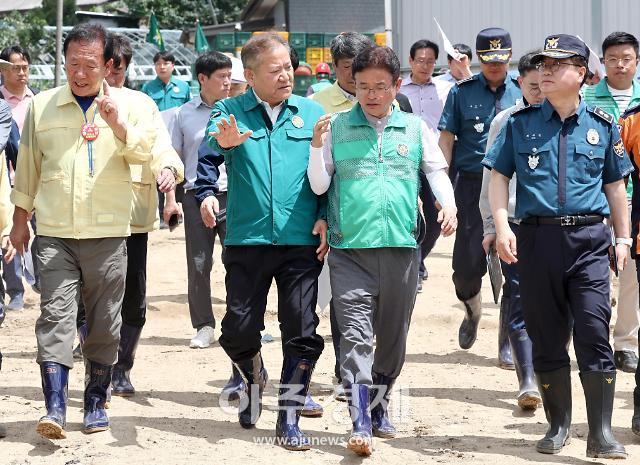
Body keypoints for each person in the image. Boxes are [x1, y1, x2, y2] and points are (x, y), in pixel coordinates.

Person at [487, 34, 632, 459]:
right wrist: (501, 225)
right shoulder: (520, 123)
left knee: (592, 332)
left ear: (583, 74)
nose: (546, 70)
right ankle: (558, 425)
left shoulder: (602, 126)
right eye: (543, 64)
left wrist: (622, 238)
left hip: (589, 240)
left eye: (557, 64)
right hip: (535, 240)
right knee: (547, 337)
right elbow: (498, 178)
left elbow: (615, 186)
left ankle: (601, 433)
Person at [308, 45, 457, 456]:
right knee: (355, 337)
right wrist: (316, 147)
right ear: (353, 86)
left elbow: (436, 172)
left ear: (396, 86)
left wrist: (449, 205)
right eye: (362, 86)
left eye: (380, 86)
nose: (371, 94)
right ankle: (360, 421)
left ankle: (380, 404)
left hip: (401, 249)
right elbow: (320, 185)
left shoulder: (413, 128)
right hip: (349, 251)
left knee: (392, 339)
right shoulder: (335, 126)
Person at [10, 23, 154, 439]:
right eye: (73, 64)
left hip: (109, 235)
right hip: (54, 233)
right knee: (54, 318)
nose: (80, 73)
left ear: (108, 66)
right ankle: (54, 407)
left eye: (89, 65)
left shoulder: (132, 106)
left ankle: (94, 399)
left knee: (106, 323)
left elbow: (145, 154)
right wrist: (20, 224)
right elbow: (29, 170)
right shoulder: (44, 106)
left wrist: (119, 125)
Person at [202, 33, 327, 450]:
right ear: (251, 76)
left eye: (288, 67)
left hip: (300, 241)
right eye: (275, 71)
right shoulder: (229, 111)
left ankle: (288, 417)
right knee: (236, 331)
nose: (286, 75)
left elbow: (330, 173)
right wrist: (225, 141)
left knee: (301, 330)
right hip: (247, 237)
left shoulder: (312, 112)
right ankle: (253, 373)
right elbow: (210, 146)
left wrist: (326, 217)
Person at [103, 33, 184, 397]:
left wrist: (169, 170)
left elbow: (161, 146)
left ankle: (122, 367)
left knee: (133, 295)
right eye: (103, 66)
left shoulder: (142, 102)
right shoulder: (71, 101)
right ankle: (98, 366)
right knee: (93, 295)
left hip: (133, 216)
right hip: (88, 218)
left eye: (115, 67)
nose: (109, 74)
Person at [438, 28, 522, 366]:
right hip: (472, 184)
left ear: (510, 57)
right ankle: (471, 310)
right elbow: (446, 139)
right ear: (477, 59)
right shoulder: (461, 93)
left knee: (512, 267)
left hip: (515, 184)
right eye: (488, 61)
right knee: (466, 269)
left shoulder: (524, 88)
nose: (495, 67)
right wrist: (442, 188)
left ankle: (508, 340)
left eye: (501, 61)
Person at [479, 51, 544, 410]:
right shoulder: (505, 121)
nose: (540, 92)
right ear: (520, 83)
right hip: (514, 223)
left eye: (545, 85)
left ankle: (543, 367)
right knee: (518, 295)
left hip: (553, 227)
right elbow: (491, 178)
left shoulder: (564, 120)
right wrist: (491, 226)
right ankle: (528, 379)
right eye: (533, 85)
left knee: (550, 302)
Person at [583, 31, 640, 374]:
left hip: (635, 202)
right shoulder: (588, 96)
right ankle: (593, 338)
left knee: (632, 274)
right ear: (602, 62)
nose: (620, 65)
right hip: (593, 200)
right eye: (613, 59)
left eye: (627, 58)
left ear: (636, 62)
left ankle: (626, 343)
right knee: (593, 274)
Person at [170, 51, 231, 350]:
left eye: (230, 76)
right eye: (222, 77)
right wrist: (171, 198)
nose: (228, 82)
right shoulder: (184, 115)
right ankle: (204, 325)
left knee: (239, 261)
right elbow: (173, 159)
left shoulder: (238, 110)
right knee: (198, 263)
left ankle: (240, 322)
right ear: (203, 79)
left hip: (234, 195)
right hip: (195, 196)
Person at [401, 39, 454, 288]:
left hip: (434, 161)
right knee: (411, 212)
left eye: (430, 61)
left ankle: (420, 255)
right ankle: (416, 263)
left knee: (434, 218)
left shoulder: (444, 89)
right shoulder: (399, 89)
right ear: (410, 61)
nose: (425, 66)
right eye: (420, 60)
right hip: (407, 159)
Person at [142, 51, 191, 228]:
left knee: (178, 174)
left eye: (166, 63)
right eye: (158, 64)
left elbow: (188, 110)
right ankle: (163, 216)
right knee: (158, 175)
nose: (162, 67)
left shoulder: (183, 87)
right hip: (158, 138)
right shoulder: (148, 88)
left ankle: (176, 211)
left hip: (178, 137)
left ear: (173, 66)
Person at [310, 32, 374, 112]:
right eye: (347, 66)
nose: (354, 74)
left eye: (361, 66)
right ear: (334, 65)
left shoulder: (383, 100)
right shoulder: (314, 103)